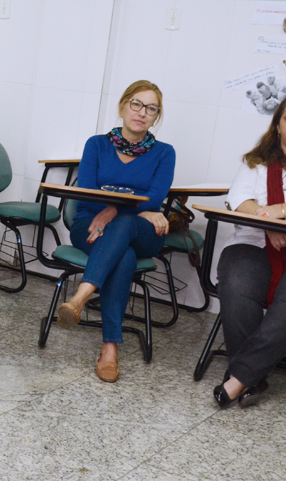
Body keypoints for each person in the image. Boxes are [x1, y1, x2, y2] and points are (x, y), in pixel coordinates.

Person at [214, 93, 286, 408]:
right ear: (277, 126)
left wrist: (278, 211)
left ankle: (239, 378)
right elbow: (240, 199)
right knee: (237, 285)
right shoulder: (255, 159)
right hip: (254, 239)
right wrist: (268, 223)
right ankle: (253, 377)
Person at [55, 80, 175, 383]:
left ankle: (80, 297)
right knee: (123, 257)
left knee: (122, 226)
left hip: (143, 231)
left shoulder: (164, 153)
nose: (142, 112)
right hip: (89, 224)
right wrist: (134, 205)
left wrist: (113, 208)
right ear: (123, 106)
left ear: (156, 116)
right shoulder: (96, 144)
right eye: (136, 103)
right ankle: (110, 348)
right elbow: (86, 193)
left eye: (151, 108)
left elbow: (156, 198)